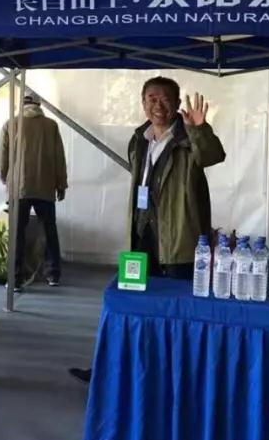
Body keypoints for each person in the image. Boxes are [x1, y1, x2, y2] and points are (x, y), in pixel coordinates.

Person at [69, 76, 226, 384]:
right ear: (143, 103)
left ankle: (174, 375)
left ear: (177, 104)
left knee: (177, 311)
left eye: (165, 98)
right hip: (142, 238)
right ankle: (114, 370)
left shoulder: (188, 139)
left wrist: (199, 128)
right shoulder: (139, 139)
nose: (158, 105)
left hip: (179, 241)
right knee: (131, 306)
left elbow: (212, 156)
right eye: (151, 98)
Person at [0, 92, 68, 289]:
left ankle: (15, 278)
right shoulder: (51, 126)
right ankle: (53, 274)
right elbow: (59, 157)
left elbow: (2, 155)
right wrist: (61, 184)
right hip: (45, 187)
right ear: (39, 106)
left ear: (21, 105)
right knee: (49, 230)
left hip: (19, 187)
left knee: (17, 233)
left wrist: (5, 176)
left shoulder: (11, 124)